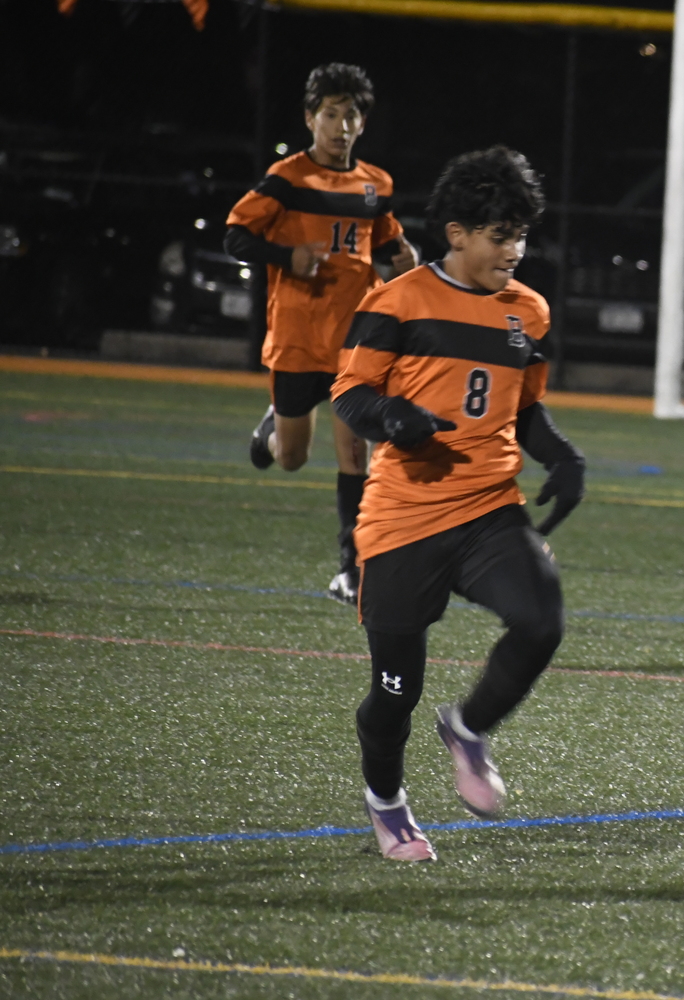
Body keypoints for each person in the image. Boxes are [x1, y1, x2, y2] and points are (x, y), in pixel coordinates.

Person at [330, 146, 585, 861]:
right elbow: (350, 395)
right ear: (458, 234)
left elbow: (525, 409)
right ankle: (387, 802)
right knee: (393, 692)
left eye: (521, 234)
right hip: (402, 521)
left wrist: (562, 454)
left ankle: (468, 728)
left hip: (487, 509)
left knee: (541, 620)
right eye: (501, 235)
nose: (515, 250)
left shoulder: (527, 312)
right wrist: (393, 420)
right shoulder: (396, 302)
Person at [225, 62, 419, 605]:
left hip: (354, 344)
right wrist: (286, 256)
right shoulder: (286, 179)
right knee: (290, 458)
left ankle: (350, 571)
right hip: (295, 338)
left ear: (363, 123)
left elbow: (385, 250)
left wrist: (407, 260)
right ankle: (270, 431)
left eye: (351, 114)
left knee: (356, 457)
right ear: (311, 119)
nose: (341, 125)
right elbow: (236, 237)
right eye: (330, 114)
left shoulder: (375, 184)